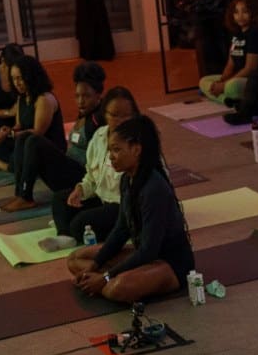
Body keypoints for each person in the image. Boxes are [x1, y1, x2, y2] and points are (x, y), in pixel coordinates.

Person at [65, 115, 194, 304]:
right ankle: (102, 280)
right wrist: (94, 266)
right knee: (75, 259)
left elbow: (149, 251)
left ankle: (106, 282)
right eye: (110, 150)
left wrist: (105, 277)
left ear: (136, 150)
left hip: (170, 263)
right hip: (145, 256)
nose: (111, 156)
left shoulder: (154, 188)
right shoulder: (127, 179)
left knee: (118, 288)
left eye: (117, 150)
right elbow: (121, 230)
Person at [53, 86, 139, 249]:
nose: (120, 121)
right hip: (102, 199)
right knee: (60, 199)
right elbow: (92, 176)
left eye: (125, 116)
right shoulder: (99, 136)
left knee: (79, 224)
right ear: (105, 115)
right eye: (114, 115)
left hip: (125, 206)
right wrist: (81, 189)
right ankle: (64, 236)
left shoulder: (138, 142)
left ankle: (75, 230)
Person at [0, 57, 75, 214]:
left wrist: (12, 134)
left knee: (28, 139)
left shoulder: (44, 99)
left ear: (31, 76)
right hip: (29, 146)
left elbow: (38, 132)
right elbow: (19, 125)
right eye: (14, 79)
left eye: (20, 78)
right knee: (16, 139)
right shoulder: (22, 97)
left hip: (51, 153)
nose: (17, 83)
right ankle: (20, 194)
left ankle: (26, 197)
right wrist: (6, 132)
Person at [199, 0, 258, 107]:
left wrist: (224, 85)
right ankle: (228, 101)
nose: (240, 16)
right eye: (236, 12)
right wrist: (221, 81)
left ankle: (228, 96)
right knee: (204, 81)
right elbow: (230, 65)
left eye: (245, 12)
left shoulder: (256, 33)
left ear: (253, 13)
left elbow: (250, 69)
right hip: (240, 78)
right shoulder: (236, 35)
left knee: (232, 87)